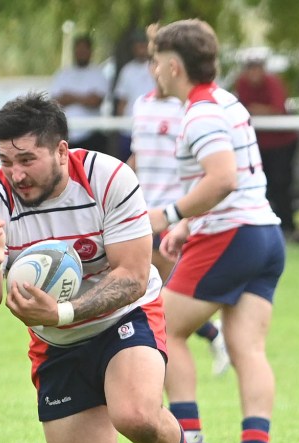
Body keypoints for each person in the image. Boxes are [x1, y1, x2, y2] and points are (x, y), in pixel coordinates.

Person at [0, 92, 237, 443]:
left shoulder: (109, 177)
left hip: (125, 316)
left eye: (27, 160)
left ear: (60, 150)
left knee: (137, 415)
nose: (15, 174)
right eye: (5, 161)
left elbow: (131, 276)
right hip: (56, 344)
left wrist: (63, 312)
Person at [150, 19, 286, 443]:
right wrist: (189, 226)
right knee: (246, 344)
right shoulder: (226, 102)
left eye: (155, 61)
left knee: (164, 328)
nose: (152, 70)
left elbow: (224, 178)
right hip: (264, 233)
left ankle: (189, 439)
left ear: (173, 66)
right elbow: (241, 179)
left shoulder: (201, 112)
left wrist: (171, 215)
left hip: (232, 235)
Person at [128, 54, 229, 383]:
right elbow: (138, 155)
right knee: (154, 290)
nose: (156, 69)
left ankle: (211, 336)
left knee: (161, 291)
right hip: (146, 210)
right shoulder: (141, 105)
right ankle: (213, 335)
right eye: (152, 62)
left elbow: (207, 164)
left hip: (174, 213)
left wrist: (185, 212)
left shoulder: (188, 109)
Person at [234, 52, 299, 235]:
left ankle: (287, 226)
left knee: (281, 184)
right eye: (251, 69)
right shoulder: (242, 83)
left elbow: (277, 109)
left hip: (282, 143)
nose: (254, 73)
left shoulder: (273, 82)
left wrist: (255, 109)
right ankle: (265, 227)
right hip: (259, 144)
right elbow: (242, 107)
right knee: (262, 186)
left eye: (257, 68)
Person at [49, 34, 109, 153]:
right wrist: (84, 98)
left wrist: (69, 97)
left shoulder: (97, 74)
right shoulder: (63, 74)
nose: (81, 52)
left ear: (90, 51)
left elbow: (95, 101)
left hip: (91, 135)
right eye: (79, 49)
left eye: (84, 49)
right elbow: (55, 102)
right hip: (66, 135)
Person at [113, 29, 156, 160]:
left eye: (143, 44)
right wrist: (120, 127)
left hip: (151, 128)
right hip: (129, 129)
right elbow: (122, 101)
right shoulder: (127, 70)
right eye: (138, 44)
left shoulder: (156, 68)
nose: (141, 48)